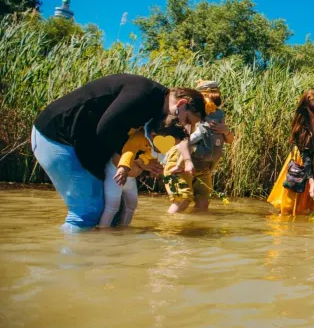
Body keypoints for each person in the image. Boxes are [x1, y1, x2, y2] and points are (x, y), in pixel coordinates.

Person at [31, 73, 205, 233]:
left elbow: (133, 140)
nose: (186, 128)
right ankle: (68, 264)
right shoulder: (143, 95)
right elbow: (105, 129)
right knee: (88, 212)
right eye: (187, 120)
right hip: (58, 136)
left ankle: (102, 261)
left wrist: (145, 164)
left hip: (82, 144)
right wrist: (139, 160)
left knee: (114, 212)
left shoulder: (155, 106)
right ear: (181, 104)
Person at [98, 118, 187, 227]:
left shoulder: (159, 145)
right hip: (116, 174)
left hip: (130, 179)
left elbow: (153, 159)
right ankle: (103, 229)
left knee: (132, 205)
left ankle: (123, 228)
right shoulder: (140, 138)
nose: (169, 148)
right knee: (112, 206)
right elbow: (129, 151)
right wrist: (123, 167)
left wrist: (155, 170)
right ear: (154, 136)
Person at [165, 80, 233, 213]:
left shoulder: (218, 114)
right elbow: (186, 139)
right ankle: (169, 230)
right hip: (184, 159)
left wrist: (225, 131)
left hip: (204, 165)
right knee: (182, 199)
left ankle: (195, 231)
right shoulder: (192, 112)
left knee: (203, 202)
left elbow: (229, 140)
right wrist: (182, 163)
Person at [267, 90, 314, 216]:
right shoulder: (300, 127)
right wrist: (311, 180)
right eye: (312, 107)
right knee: (293, 201)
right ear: (305, 107)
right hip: (302, 161)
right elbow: (306, 156)